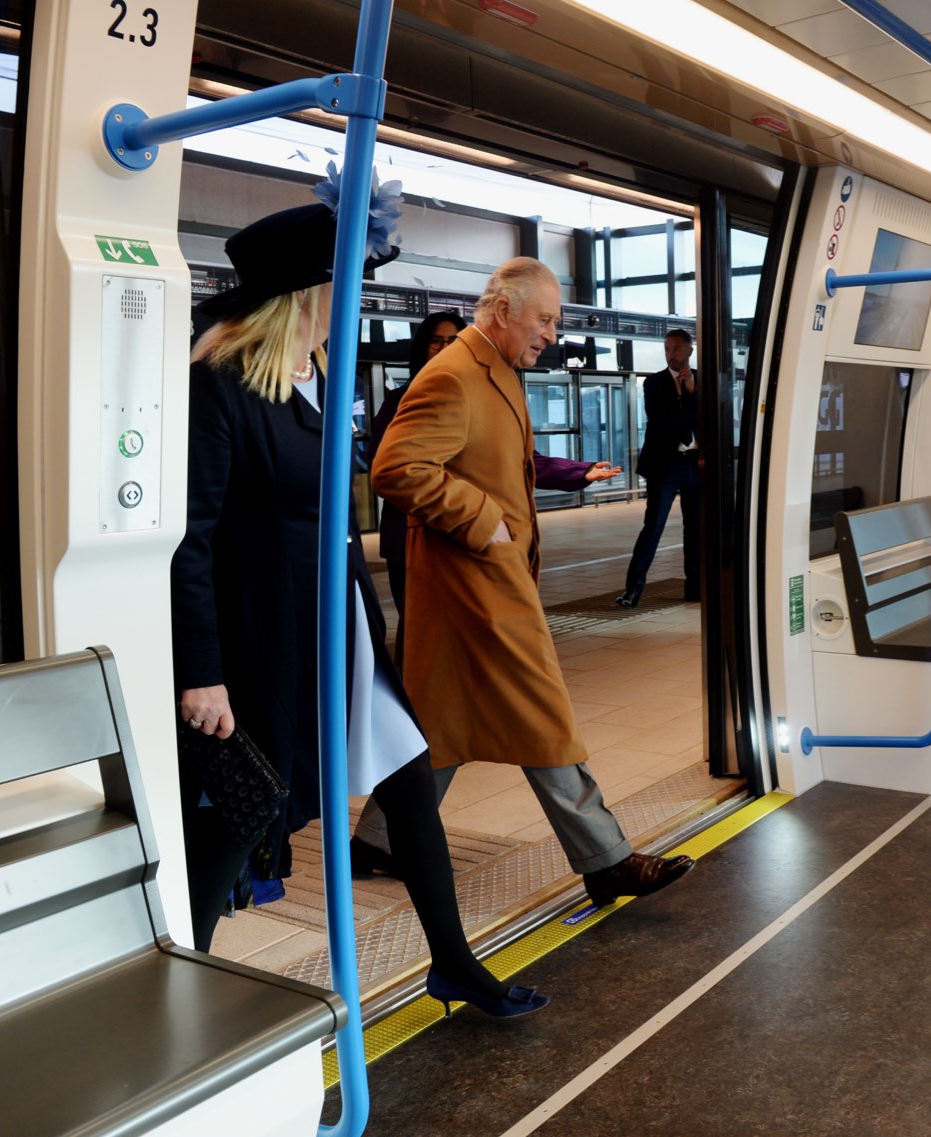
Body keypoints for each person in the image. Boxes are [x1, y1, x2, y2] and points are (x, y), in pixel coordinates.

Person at [170, 180, 546, 1018]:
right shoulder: (225, 385)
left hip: (340, 632)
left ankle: (453, 962)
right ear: (311, 292)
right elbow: (191, 540)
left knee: (409, 785)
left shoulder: (317, 379)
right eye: (347, 281)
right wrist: (203, 672)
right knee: (238, 820)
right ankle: (174, 994)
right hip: (270, 641)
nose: (358, 296)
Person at [362, 256, 694, 908]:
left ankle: (377, 838)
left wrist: (561, 480)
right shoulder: (453, 375)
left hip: (482, 588)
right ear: (504, 309)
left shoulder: (499, 372)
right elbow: (394, 467)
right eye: (544, 318)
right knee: (545, 716)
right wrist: (484, 520)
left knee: (439, 728)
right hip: (475, 589)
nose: (552, 333)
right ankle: (606, 860)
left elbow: (509, 460)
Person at [371, 309, 621, 613]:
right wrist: (480, 518)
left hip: (466, 540)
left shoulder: (487, 397)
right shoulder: (400, 400)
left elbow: (521, 459)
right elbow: (391, 468)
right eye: (436, 341)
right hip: (417, 538)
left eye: (453, 340)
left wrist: (580, 471)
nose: (445, 348)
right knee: (419, 636)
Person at [616, 328, 701, 608]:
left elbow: (713, 417)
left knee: (696, 530)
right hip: (664, 466)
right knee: (652, 527)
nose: (670, 354)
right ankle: (633, 590)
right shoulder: (653, 384)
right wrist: (692, 399)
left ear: (689, 350)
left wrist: (693, 396)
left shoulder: (703, 379)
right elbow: (666, 420)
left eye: (676, 349)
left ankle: (695, 589)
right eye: (666, 349)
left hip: (695, 464)